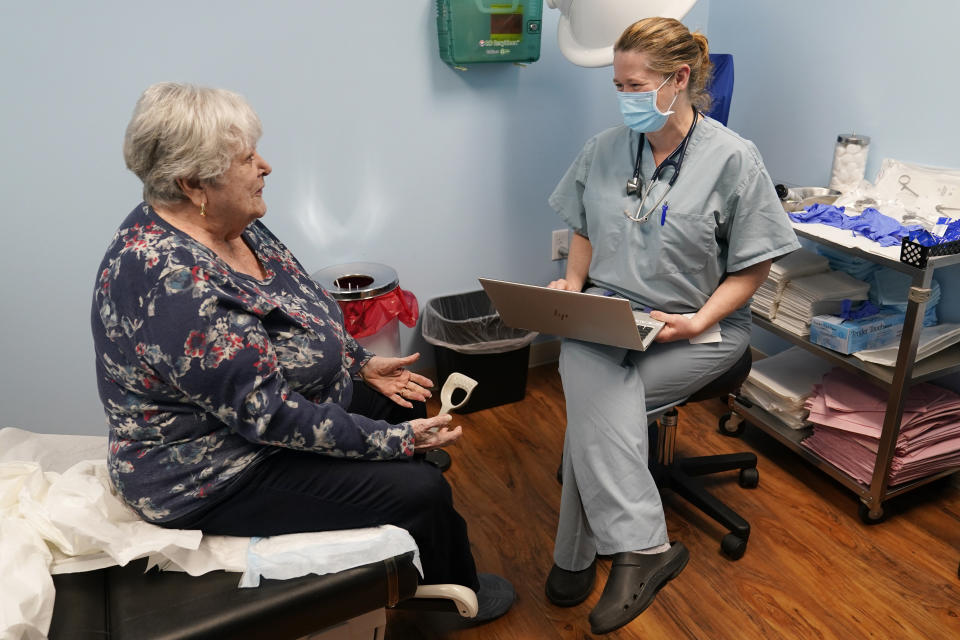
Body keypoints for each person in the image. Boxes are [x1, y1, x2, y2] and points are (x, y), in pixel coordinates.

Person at [91, 82, 514, 623]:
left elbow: (304, 305)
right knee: (422, 490)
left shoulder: (232, 225)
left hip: (263, 413)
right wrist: (391, 443)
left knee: (406, 396)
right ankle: (450, 593)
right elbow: (268, 419)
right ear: (194, 184)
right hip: (216, 470)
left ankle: (399, 486)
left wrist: (360, 363)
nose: (265, 166)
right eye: (246, 159)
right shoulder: (174, 283)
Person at [544, 17, 800, 634]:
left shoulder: (734, 159)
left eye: (635, 85)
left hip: (703, 328)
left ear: (679, 79)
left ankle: (577, 556)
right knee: (589, 372)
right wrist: (574, 288)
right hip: (610, 312)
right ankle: (644, 549)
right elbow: (582, 224)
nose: (624, 97)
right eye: (619, 86)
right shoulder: (604, 149)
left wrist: (698, 319)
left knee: (594, 406)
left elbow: (755, 265)